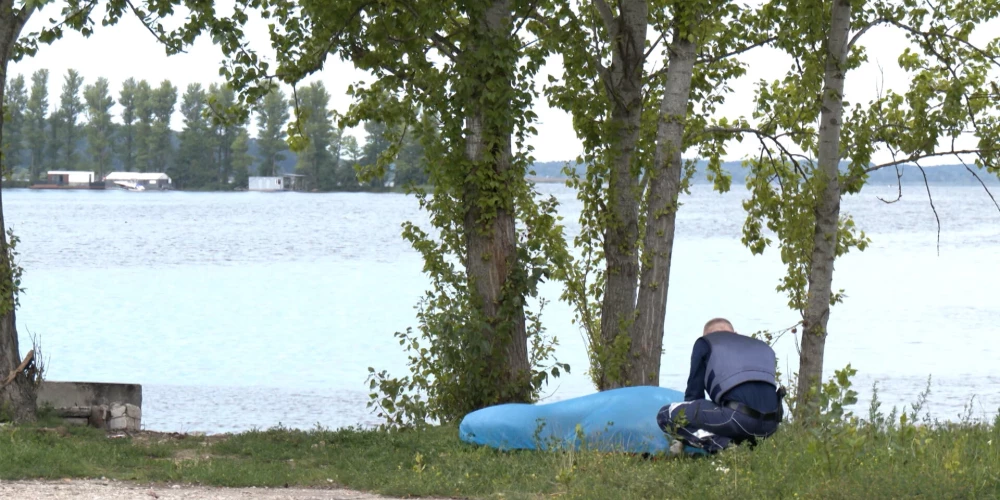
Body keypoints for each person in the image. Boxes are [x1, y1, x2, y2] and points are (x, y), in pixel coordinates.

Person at [657, 317, 785, 454]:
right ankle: (742, 448)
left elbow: (694, 395)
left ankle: (724, 446)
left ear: (707, 336)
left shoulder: (705, 344)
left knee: (666, 414)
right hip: (770, 425)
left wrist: (683, 434)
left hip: (737, 419)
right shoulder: (761, 347)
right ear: (735, 334)